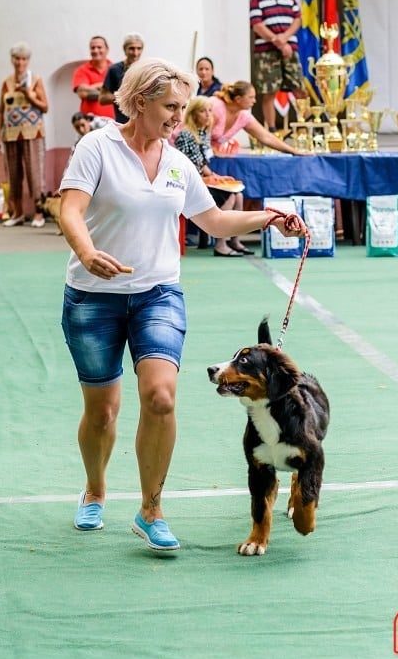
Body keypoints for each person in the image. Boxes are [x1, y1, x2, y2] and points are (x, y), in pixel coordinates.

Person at [59, 56, 306, 552]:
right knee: (103, 411)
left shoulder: (177, 162)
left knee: (161, 397)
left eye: (182, 106)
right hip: (93, 296)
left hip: (158, 293)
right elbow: (69, 207)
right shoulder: (97, 147)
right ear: (139, 100)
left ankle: (151, 509)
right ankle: (96, 488)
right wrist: (87, 252)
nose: (178, 115)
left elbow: (212, 221)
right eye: (169, 106)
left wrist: (270, 218)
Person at [174, 96, 253, 256]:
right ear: (194, 114)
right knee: (229, 195)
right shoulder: (187, 135)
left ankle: (234, 240)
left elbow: (203, 164)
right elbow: (190, 167)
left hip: (200, 178)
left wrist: (219, 177)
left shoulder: (203, 134)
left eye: (209, 111)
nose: (208, 115)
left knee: (238, 195)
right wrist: (214, 179)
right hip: (188, 182)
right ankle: (220, 244)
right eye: (203, 111)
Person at [249, 0, 308, 131]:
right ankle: (273, 131)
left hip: (290, 49)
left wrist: (285, 37)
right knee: (269, 92)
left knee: (299, 89)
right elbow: (257, 25)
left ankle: (304, 128)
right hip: (266, 51)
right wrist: (279, 42)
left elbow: (297, 20)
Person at [0, 42, 48, 228]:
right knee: (13, 175)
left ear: (28, 60)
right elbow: (1, 111)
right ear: (12, 60)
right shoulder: (7, 82)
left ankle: (39, 213)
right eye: (17, 58)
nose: (20, 62)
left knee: (35, 173)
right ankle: (17, 213)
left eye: (24, 59)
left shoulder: (35, 79)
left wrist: (29, 94)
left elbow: (44, 106)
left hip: (33, 133)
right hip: (10, 135)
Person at [211, 80, 306, 155]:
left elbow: (266, 137)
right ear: (238, 99)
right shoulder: (215, 107)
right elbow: (198, 136)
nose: (255, 101)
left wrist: (293, 151)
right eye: (251, 97)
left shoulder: (244, 115)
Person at [100, 33, 145, 122]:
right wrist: (126, 96)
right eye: (131, 48)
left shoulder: (146, 69)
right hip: (123, 123)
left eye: (139, 48)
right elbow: (102, 98)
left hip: (143, 122)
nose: (135, 53)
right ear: (124, 50)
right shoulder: (115, 69)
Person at [72, 35, 115, 119]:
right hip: (89, 122)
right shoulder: (82, 70)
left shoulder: (115, 69)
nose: (95, 50)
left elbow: (122, 93)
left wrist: (92, 88)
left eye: (99, 47)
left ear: (107, 50)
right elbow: (82, 93)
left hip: (114, 122)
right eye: (93, 48)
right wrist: (106, 88)